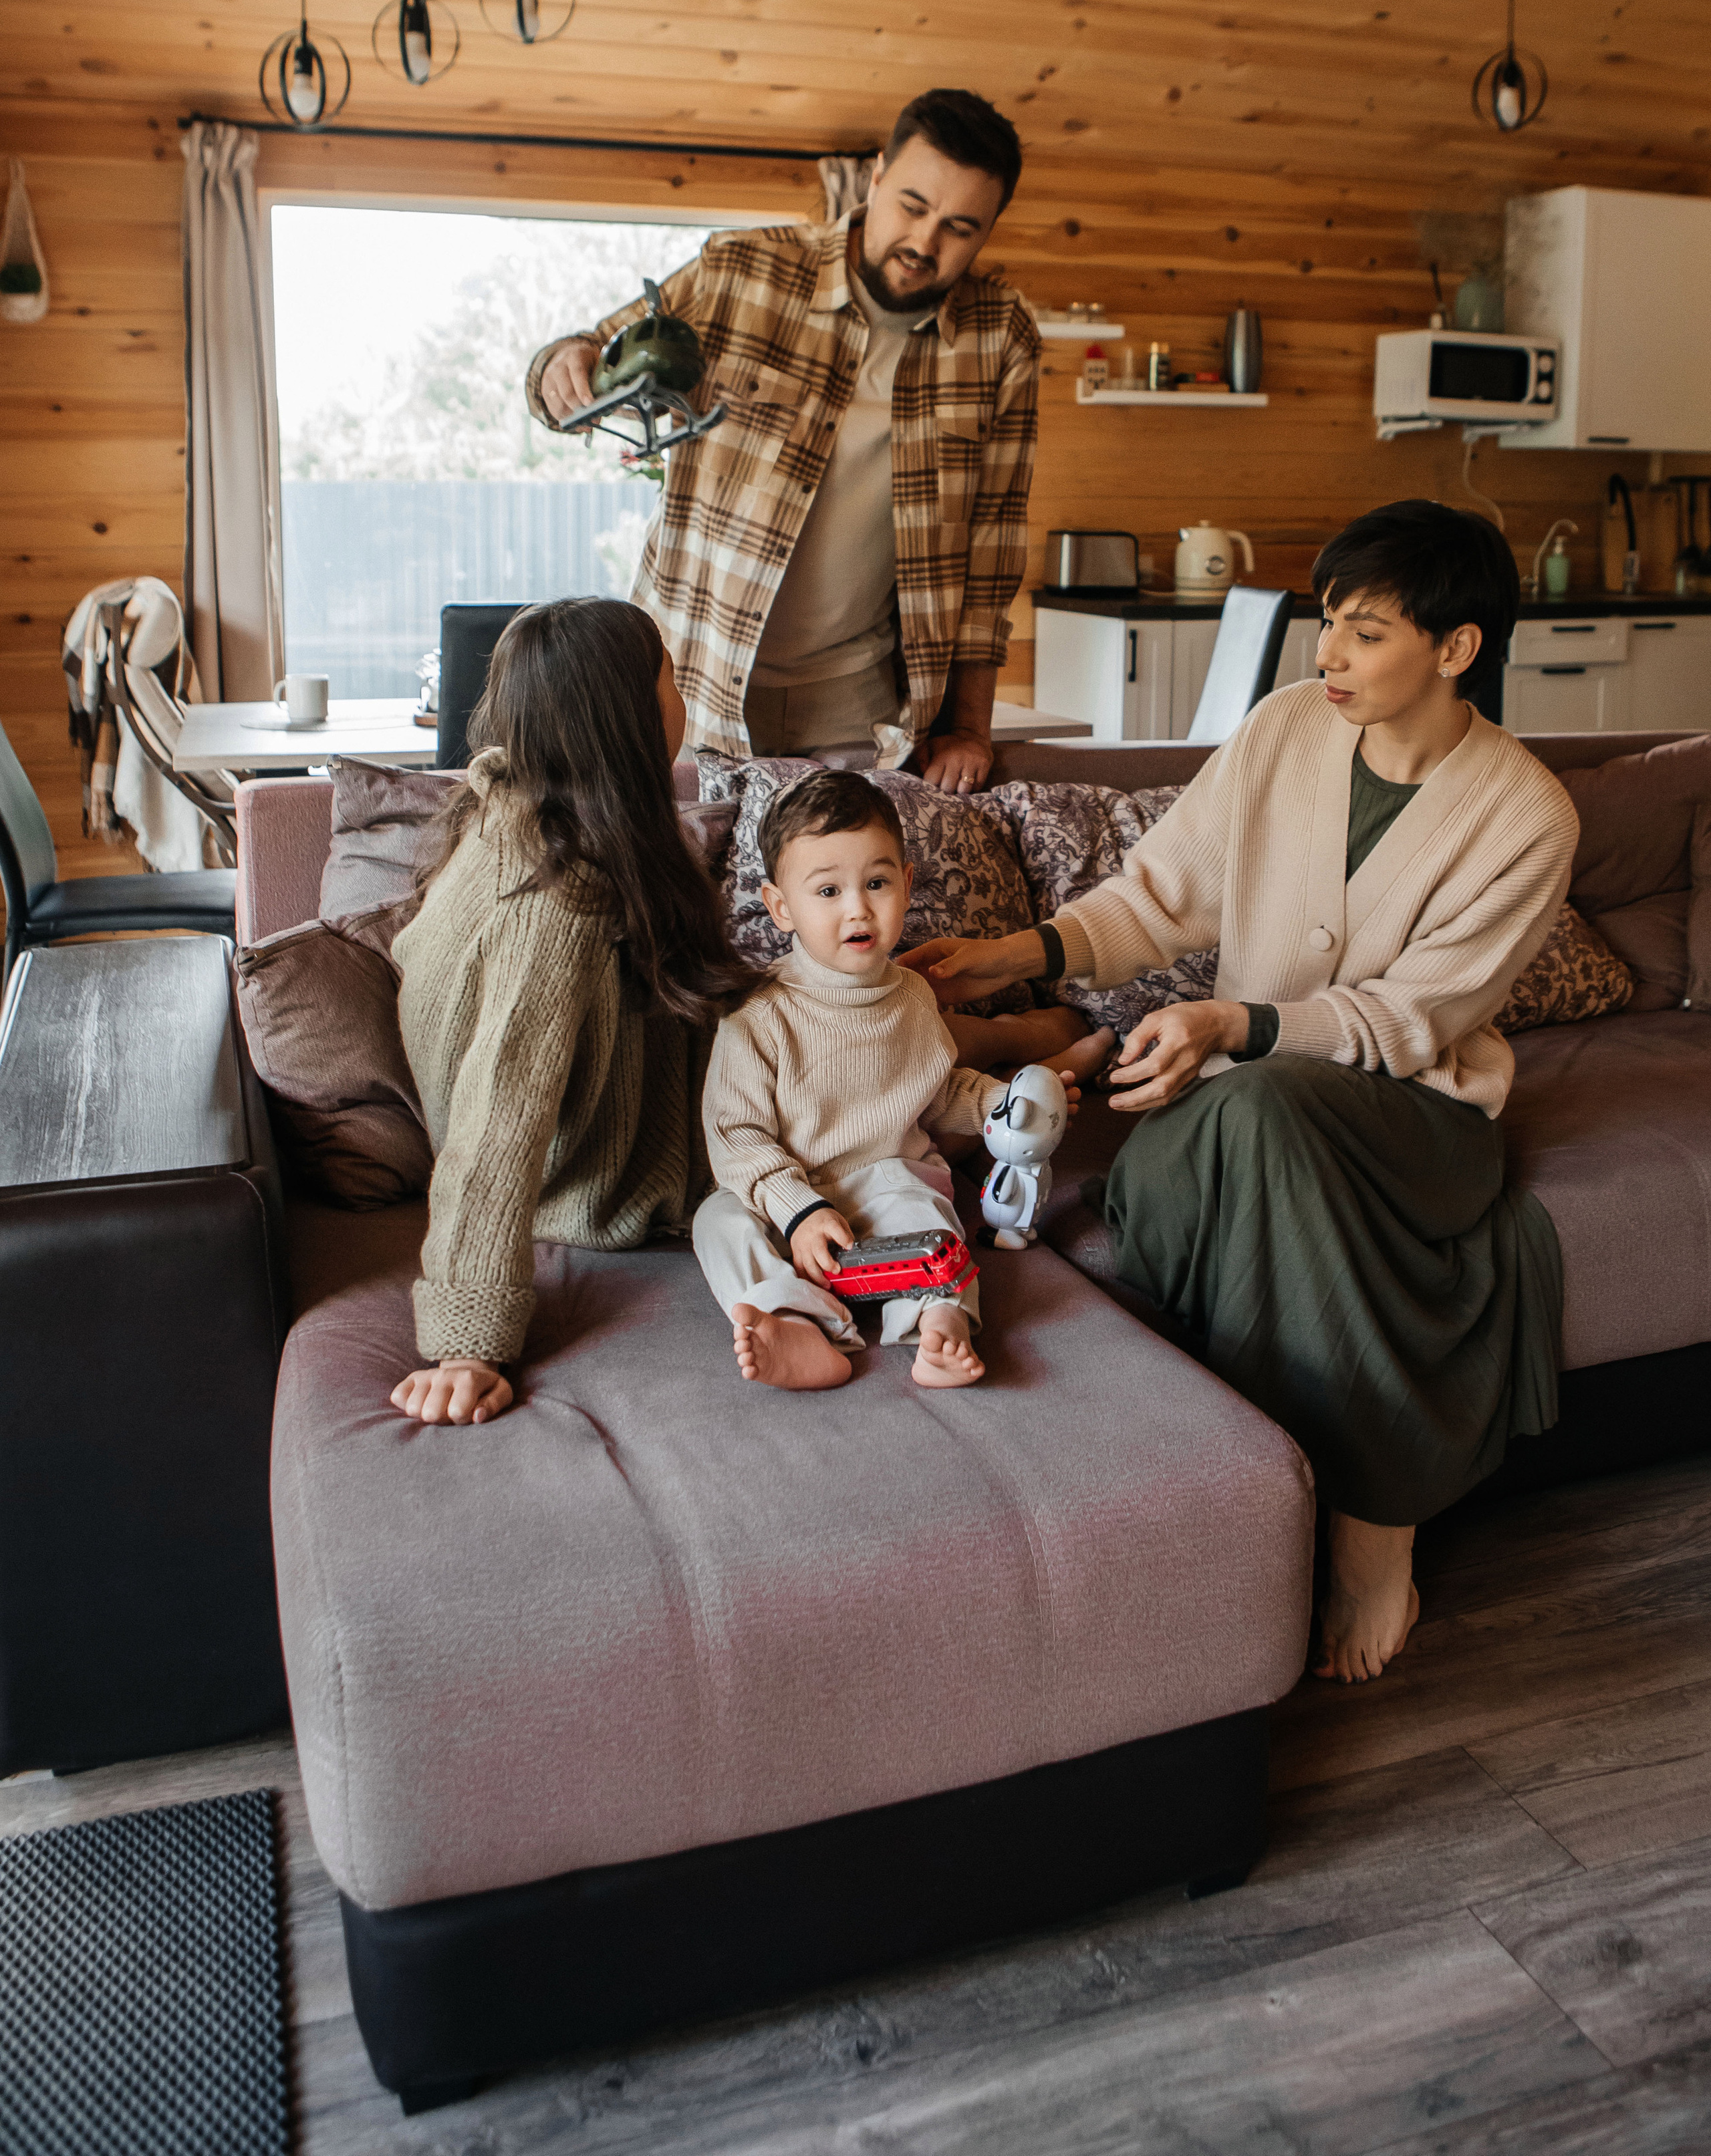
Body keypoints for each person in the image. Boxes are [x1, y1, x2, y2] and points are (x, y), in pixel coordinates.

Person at [900, 501, 1579, 1684]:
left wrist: (1236, 1022)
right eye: (1328, 625)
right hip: (1246, 1104)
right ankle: (1302, 1510)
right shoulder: (1282, 733)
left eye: (1365, 634)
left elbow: (1415, 1018)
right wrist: (1007, 958)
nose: (1327, 656)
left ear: (1456, 648)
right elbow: (1158, 898)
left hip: (1419, 1122)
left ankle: (1368, 1529)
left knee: (1259, 1110)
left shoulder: (1529, 813)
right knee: (1248, 1124)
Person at [525, 89, 1040, 789]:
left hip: (859, 709)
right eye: (913, 207)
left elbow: (991, 553)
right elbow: (587, 353)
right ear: (877, 174)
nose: (924, 243)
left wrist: (969, 728)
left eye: (960, 227)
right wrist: (565, 364)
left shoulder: (1000, 338)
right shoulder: (741, 270)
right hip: (692, 682)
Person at [388, 597, 755, 1430]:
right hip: (596, 1185)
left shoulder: (527, 816)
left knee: (853, 1001)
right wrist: (467, 1342)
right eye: (670, 672)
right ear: (632, 711)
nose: (682, 692)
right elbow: (499, 1112)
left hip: (626, 1115)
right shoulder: (553, 900)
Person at [692, 769, 1083, 1392]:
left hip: (886, 1183)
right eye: (827, 891)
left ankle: (939, 1323)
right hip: (789, 1204)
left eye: (876, 883)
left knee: (926, 1202)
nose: (857, 908)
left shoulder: (912, 997)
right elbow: (735, 1134)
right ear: (780, 907)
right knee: (717, 1219)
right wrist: (799, 1211)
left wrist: (1002, 1109)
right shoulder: (758, 1011)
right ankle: (798, 1321)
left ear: (906, 885)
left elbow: (939, 1087)